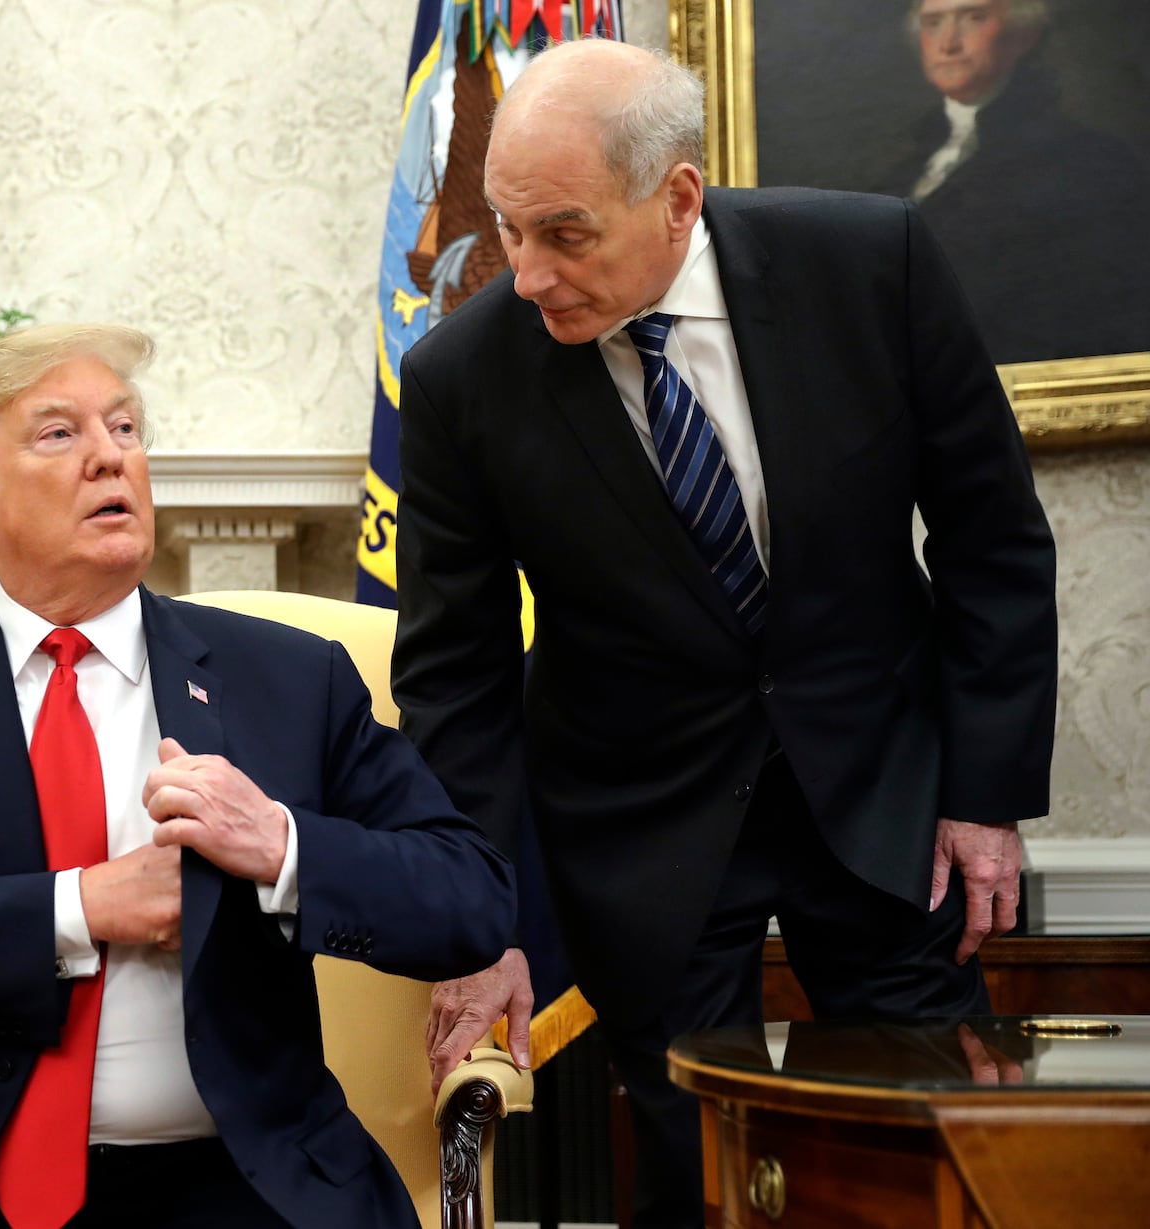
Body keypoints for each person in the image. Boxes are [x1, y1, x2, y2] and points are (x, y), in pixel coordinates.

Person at [393, 39, 1057, 1229]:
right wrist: (480, 919)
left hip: (881, 790)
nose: (529, 273)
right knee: (688, 1168)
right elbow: (458, 674)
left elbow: (990, 540)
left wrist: (985, 792)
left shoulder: (868, 261)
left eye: (565, 233)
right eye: (508, 226)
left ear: (677, 196)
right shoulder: (460, 377)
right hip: (641, 820)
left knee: (922, 1145)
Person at [0, 322, 516, 1229]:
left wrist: (282, 850)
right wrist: (80, 907)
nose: (110, 459)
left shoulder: (288, 678)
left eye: (124, 428)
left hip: (240, 1179)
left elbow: (472, 899)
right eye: (59, 433)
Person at [874, 0, 1149, 362]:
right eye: (933, 23)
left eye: (973, 18)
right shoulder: (906, 170)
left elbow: (1091, 315)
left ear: (1025, 34)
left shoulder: (1084, 160)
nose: (948, 44)